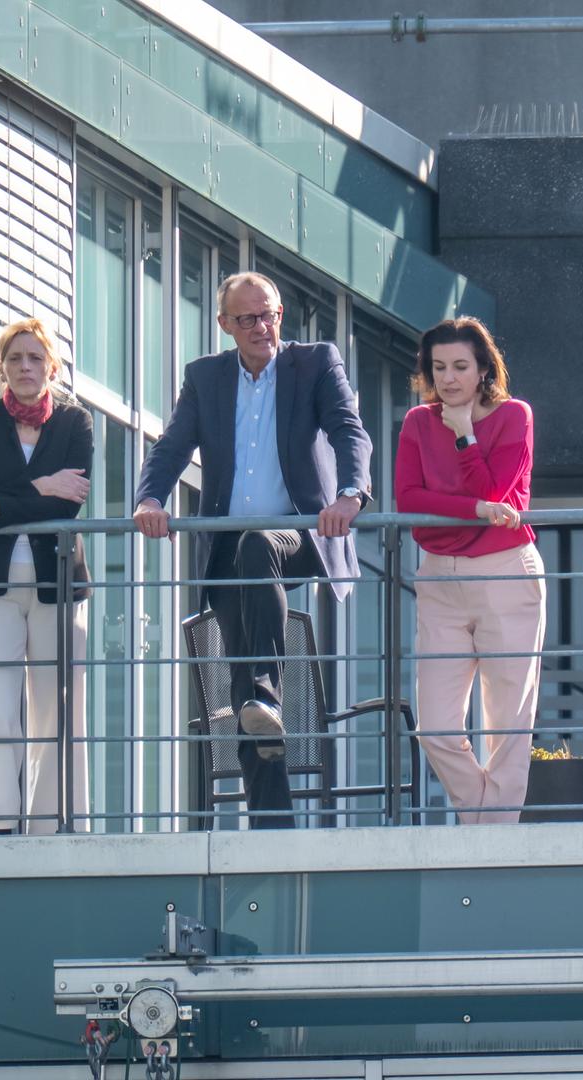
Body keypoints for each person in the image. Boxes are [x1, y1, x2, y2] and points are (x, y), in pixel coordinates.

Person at [132, 272, 372, 829]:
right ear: (225, 326)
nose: (263, 327)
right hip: (229, 554)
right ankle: (273, 826)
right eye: (248, 319)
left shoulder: (314, 363)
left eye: (270, 315)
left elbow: (348, 430)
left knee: (257, 545)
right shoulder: (206, 378)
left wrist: (351, 493)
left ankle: (264, 690)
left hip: (298, 533)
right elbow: (171, 447)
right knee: (245, 697)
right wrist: (150, 498)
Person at [394, 317, 544, 824]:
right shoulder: (417, 422)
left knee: (508, 724)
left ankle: (489, 841)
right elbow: (410, 499)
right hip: (439, 576)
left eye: (460, 366)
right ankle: (488, 825)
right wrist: (476, 510)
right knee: (435, 726)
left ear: (484, 369)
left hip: (506, 570)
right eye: (438, 368)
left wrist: (463, 438)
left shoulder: (514, 416)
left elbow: (502, 498)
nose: (449, 379)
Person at [0, 318, 93, 835]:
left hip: (58, 580)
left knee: (55, 708)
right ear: (2, 368)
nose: (25, 367)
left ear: (51, 367)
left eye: (35, 358)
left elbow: (70, 505)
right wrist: (41, 487)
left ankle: (52, 825)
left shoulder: (75, 424)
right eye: (15, 359)